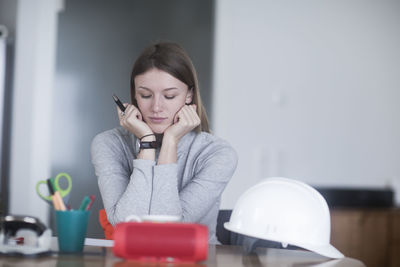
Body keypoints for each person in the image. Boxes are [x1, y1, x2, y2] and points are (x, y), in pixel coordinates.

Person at [91, 42, 238, 244]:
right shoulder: (109, 144)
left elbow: (167, 230)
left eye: (169, 96)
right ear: (134, 94)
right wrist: (147, 144)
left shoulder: (218, 154)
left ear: (188, 95)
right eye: (146, 95)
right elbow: (125, 225)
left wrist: (170, 141)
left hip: (198, 261)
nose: (156, 107)